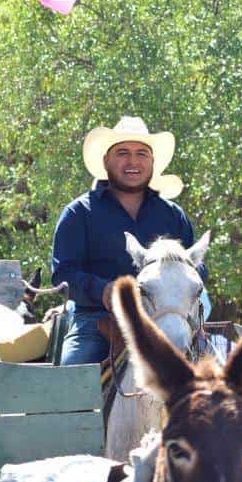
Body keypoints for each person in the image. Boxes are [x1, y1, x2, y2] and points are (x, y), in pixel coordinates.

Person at [51, 116, 204, 366]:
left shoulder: (173, 215)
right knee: (71, 384)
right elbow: (63, 274)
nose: (133, 161)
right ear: (106, 161)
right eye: (122, 152)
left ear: (152, 162)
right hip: (98, 323)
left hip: (171, 319)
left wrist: (185, 281)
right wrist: (104, 291)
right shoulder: (79, 213)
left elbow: (197, 267)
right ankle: (69, 406)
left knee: (223, 385)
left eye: (142, 153)